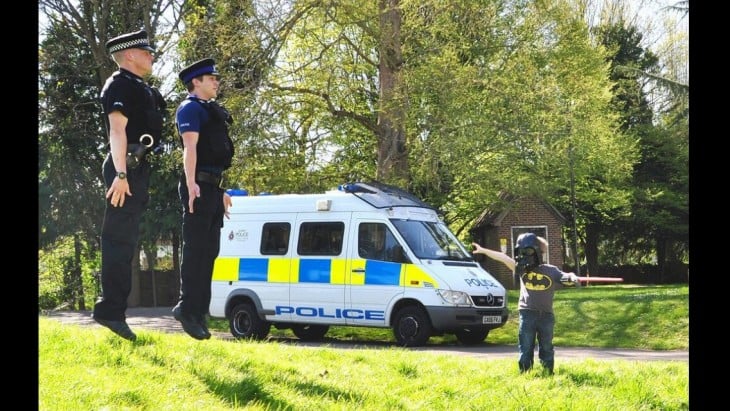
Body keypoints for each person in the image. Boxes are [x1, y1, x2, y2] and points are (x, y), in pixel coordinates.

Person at [92, 30, 167, 341]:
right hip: (125, 168)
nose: (151, 55)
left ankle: (113, 311)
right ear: (129, 55)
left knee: (127, 241)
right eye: (145, 51)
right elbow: (117, 132)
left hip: (138, 167)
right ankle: (110, 312)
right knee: (118, 242)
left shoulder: (142, 88)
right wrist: (121, 175)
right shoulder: (119, 84)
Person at [172, 58, 234, 340]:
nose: (216, 81)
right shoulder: (190, 108)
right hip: (197, 187)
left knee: (210, 252)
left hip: (212, 189)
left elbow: (217, 158)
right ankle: (186, 308)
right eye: (211, 78)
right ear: (196, 82)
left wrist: (221, 192)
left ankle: (198, 311)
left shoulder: (212, 111)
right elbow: (190, 148)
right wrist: (191, 184)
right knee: (195, 250)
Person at [472, 233, 579, 375]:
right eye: (521, 252)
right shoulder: (521, 269)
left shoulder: (551, 270)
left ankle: (548, 372)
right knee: (526, 345)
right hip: (527, 313)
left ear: (538, 252)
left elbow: (566, 277)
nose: (523, 256)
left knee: (546, 346)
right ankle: (525, 373)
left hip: (546, 316)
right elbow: (503, 258)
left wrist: (572, 277)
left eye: (527, 252)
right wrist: (483, 250)